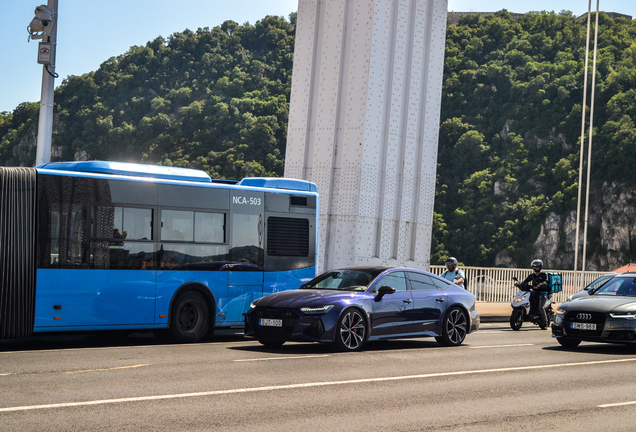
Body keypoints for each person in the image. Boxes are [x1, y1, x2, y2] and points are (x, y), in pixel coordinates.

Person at [516, 259, 549, 329]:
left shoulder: (544, 274)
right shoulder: (532, 275)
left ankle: (545, 322)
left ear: (540, 267)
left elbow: (545, 282)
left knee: (541, 307)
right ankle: (531, 314)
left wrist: (540, 285)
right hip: (534, 292)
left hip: (543, 293)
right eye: (534, 267)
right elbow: (525, 281)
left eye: (536, 267)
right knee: (528, 301)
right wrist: (519, 284)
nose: (535, 268)